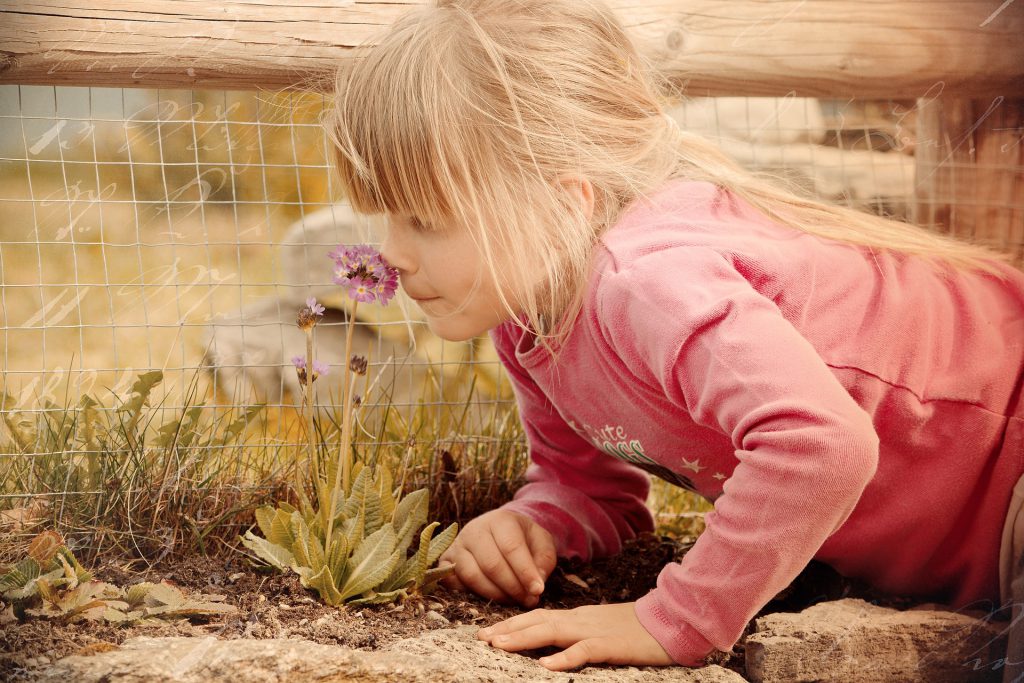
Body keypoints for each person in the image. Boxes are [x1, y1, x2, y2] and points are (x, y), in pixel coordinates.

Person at [324, 0, 1024, 674]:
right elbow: (593, 489)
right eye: (385, 218)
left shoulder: (649, 282)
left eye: (424, 219)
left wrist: (676, 617)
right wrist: (539, 521)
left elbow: (822, 443)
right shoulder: (527, 319)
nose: (393, 254)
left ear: (566, 203)